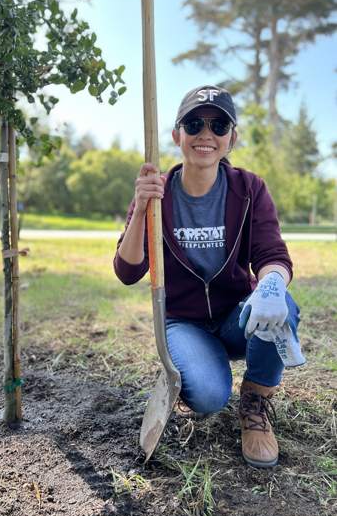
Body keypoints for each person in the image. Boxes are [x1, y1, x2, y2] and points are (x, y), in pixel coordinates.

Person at [113, 85, 304, 468]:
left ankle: (255, 402)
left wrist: (270, 283)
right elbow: (128, 271)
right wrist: (142, 210)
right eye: (194, 123)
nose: (206, 133)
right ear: (176, 134)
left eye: (219, 125)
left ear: (231, 138)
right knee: (210, 397)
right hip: (184, 323)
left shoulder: (249, 189)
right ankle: (196, 369)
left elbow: (272, 256)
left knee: (280, 300)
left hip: (238, 316)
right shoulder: (156, 191)